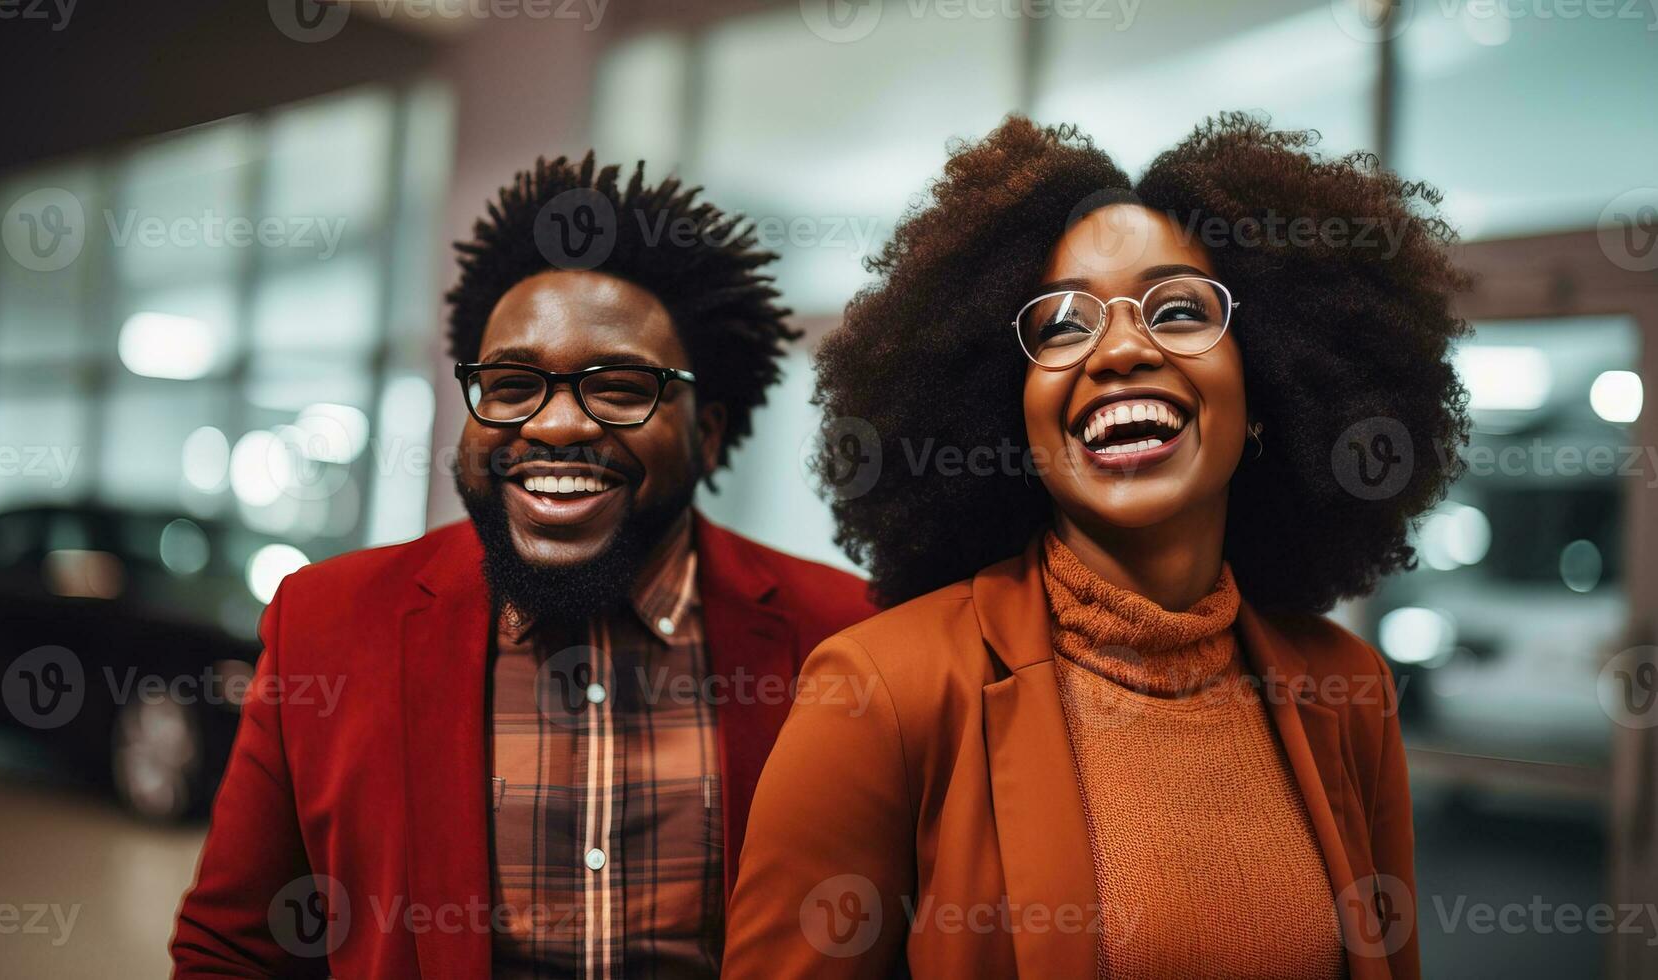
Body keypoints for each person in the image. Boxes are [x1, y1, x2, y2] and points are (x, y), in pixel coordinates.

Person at [723, 115, 1470, 979]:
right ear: (1011, 409)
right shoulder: (881, 694)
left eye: (1178, 309)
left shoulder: (1346, 693)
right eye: (1062, 326)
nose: (1119, 348)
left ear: (1266, 388)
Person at [171, 152, 876, 978]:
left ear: (708, 432)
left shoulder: (844, 635)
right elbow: (233, 949)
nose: (554, 426)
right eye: (510, 384)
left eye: (618, 386)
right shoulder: (324, 626)